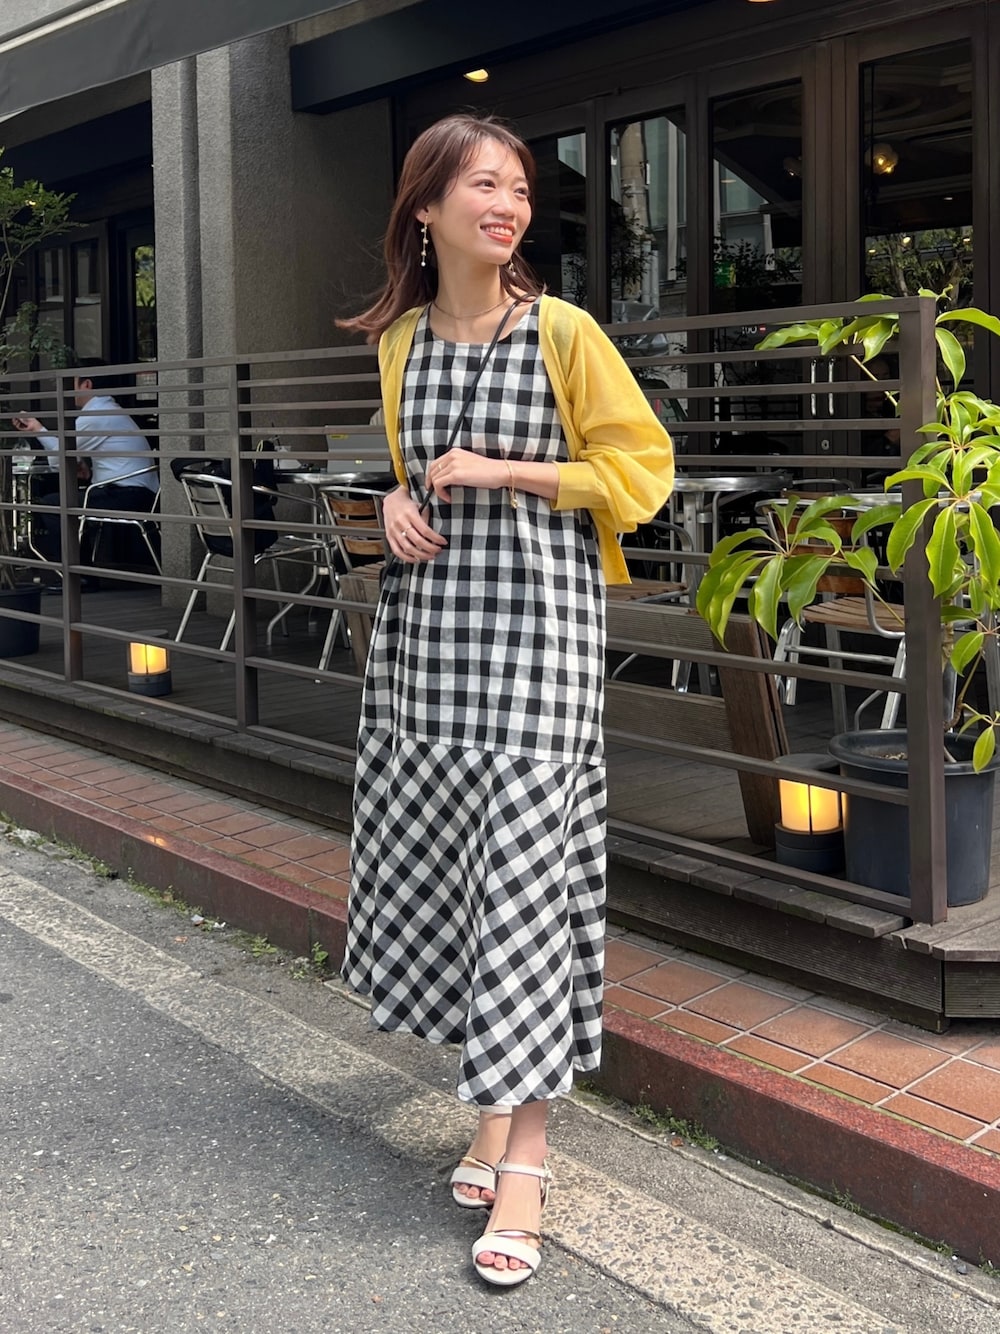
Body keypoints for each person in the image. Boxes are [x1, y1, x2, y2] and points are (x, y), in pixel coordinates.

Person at [337, 113, 674, 1288]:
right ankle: (490, 1120)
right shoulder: (399, 341)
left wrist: (503, 470)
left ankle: (524, 1155)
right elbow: (402, 470)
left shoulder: (562, 331)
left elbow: (641, 473)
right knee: (460, 876)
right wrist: (388, 502)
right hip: (428, 647)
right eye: (483, 184)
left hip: (538, 647)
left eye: (519, 188)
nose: (508, 204)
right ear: (424, 209)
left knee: (526, 887)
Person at [13, 358, 158, 568]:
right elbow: (72, 453)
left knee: (52, 505)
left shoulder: (97, 414)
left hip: (128, 494)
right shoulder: (107, 410)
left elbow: (59, 456)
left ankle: (75, 574)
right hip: (134, 492)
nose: (67, 390)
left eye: (71, 383)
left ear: (86, 384)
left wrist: (37, 429)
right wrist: (84, 468)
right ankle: (82, 572)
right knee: (63, 503)